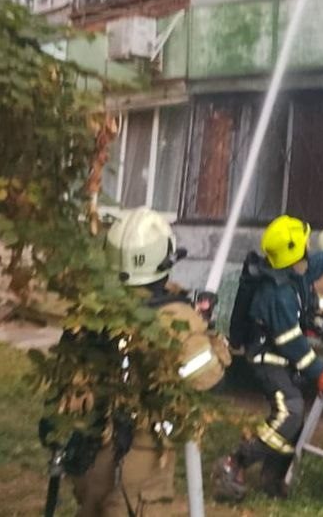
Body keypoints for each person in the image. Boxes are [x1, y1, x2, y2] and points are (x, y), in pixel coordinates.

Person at [61, 208, 229, 517]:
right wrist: (206, 335)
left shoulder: (91, 310)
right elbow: (209, 382)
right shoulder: (175, 319)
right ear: (164, 262)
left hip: (91, 451)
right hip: (140, 457)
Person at [213, 215, 323, 502]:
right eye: (304, 242)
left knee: (293, 424)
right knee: (290, 412)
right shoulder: (277, 294)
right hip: (268, 360)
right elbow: (290, 342)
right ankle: (236, 461)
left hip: (282, 358)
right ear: (295, 251)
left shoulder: (295, 270)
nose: (308, 246)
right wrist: (319, 372)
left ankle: (272, 479)